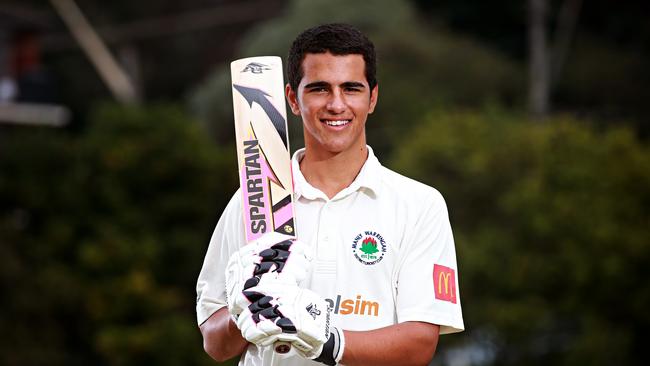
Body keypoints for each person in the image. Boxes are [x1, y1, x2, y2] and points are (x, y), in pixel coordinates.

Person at [196, 23, 464, 366]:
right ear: (293, 99)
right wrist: (250, 308)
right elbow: (215, 343)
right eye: (320, 89)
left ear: (373, 97)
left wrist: (326, 339)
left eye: (351, 88)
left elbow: (419, 345)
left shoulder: (418, 204)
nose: (336, 105)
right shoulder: (253, 201)